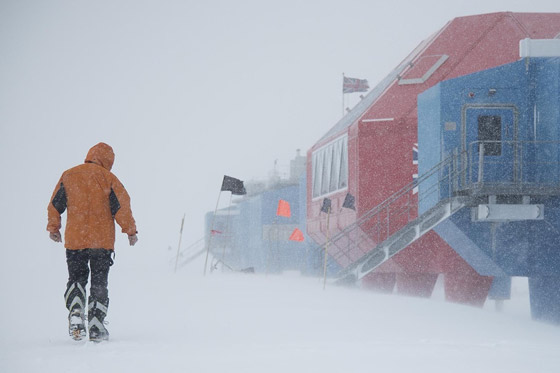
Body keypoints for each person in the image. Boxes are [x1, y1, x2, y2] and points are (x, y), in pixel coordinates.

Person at [47, 142, 138, 342]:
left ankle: (77, 311)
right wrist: (130, 231)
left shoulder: (69, 175)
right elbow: (122, 206)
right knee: (99, 282)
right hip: (101, 242)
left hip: (75, 241)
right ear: (108, 160)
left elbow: (55, 205)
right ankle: (96, 324)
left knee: (76, 278)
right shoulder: (109, 178)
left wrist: (54, 227)